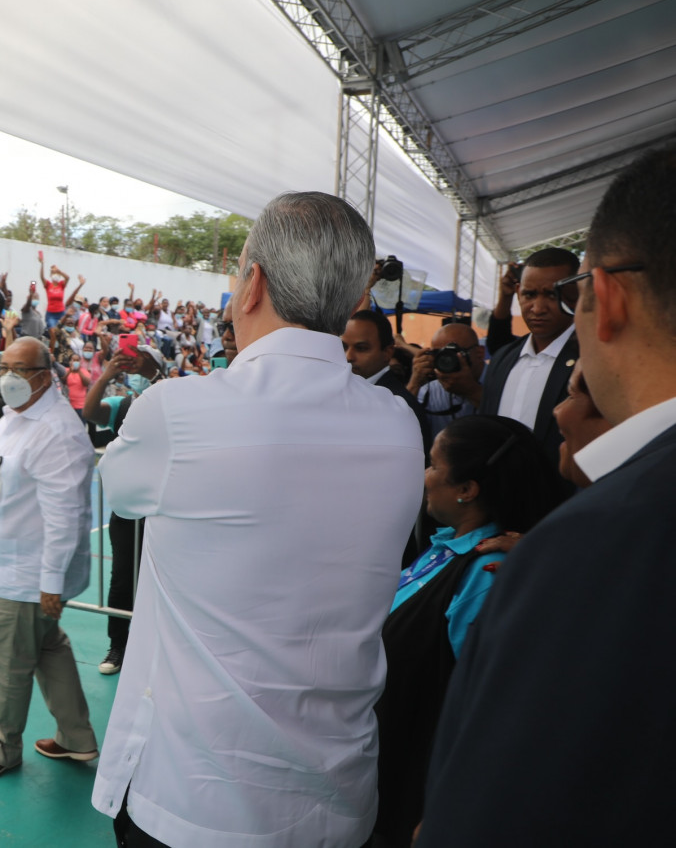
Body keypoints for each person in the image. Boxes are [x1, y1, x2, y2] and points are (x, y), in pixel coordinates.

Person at [92, 192, 424, 848]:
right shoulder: (397, 424)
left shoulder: (177, 411)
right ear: (356, 296)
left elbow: (120, 490)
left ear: (254, 283)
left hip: (195, 797)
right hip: (339, 798)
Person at [414, 147, 676, 848]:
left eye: (569, 290)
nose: (564, 413)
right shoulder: (504, 362)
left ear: (605, 301)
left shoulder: (594, 550)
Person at [372, 416, 560, 847]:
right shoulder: (444, 549)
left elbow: (487, 709)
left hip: (421, 797)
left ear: (467, 488)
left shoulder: (486, 573)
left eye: (433, 465)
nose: (424, 475)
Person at [0, 337, 99, 782]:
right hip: (8, 561)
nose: (8, 378)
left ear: (45, 376)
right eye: (4, 368)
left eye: (20, 370)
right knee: (47, 647)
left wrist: (50, 581)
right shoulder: (14, 418)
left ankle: (2, 747)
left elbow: (65, 516)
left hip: (23, 574)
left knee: (8, 660)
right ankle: (76, 736)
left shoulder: (57, 431)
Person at [81, 344, 162, 676]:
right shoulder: (123, 404)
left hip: (164, 507)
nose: (134, 361)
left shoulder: (170, 396)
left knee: (161, 577)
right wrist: (107, 375)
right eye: (130, 356)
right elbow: (90, 411)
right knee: (122, 577)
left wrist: (153, 375)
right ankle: (118, 643)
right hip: (128, 508)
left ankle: (156, 646)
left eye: (142, 357)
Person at [477, 248, 580, 466]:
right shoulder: (502, 360)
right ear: (518, 292)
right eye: (529, 295)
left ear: (576, 293)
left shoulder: (590, 360)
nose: (538, 308)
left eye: (551, 295)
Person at [343, 309, 428, 442]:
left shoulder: (401, 406)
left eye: (361, 348)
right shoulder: (338, 391)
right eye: (343, 347)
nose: (348, 356)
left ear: (387, 352)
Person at [407, 321, 485, 447]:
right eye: (439, 354)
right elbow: (399, 424)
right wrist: (415, 382)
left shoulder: (500, 381)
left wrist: (472, 391)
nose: (447, 359)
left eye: (455, 352)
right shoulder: (429, 391)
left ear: (480, 352)